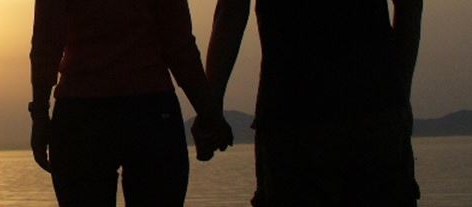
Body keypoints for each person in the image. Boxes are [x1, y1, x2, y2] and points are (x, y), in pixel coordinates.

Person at [206, 0, 423, 206]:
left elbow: (232, 11)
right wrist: (399, 95)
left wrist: (211, 107)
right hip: (373, 117)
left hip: (292, 122)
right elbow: (409, 7)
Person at [28, 0, 234, 206]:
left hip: (82, 117)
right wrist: (209, 113)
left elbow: (45, 43)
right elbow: (179, 45)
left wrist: (39, 115)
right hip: (151, 114)